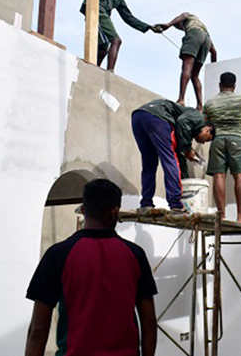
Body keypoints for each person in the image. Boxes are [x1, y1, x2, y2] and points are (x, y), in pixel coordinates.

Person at [24, 179, 157, 356]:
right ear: (115, 212)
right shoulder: (135, 255)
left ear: (84, 210)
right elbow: (148, 322)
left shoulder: (58, 255)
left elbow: (38, 330)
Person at [132, 99, 215, 211]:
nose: (203, 142)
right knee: (169, 160)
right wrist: (187, 149)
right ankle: (175, 203)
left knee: (149, 163)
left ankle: (146, 203)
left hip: (138, 117)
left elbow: (180, 157)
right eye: (207, 139)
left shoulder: (185, 130)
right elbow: (182, 121)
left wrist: (185, 176)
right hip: (158, 118)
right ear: (208, 129)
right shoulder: (198, 118)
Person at [204, 72, 241, 224]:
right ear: (234, 86)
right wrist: (240, 122)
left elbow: (205, 124)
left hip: (218, 140)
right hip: (236, 140)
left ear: (220, 85)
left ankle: (221, 215)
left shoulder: (210, 103)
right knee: (239, 176)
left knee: (218, 176)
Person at [153, 13, 217, 110]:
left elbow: (184, 15)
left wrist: (168, 25)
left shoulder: (189, 19)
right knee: (195, 75)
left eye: (179, 26)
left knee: (187, 67)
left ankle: (181, 99)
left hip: (195, 36)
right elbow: (214, 52)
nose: (180, 29)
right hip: (206, 41)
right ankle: (200, 106)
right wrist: (213, 68)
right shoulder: (203, 29)